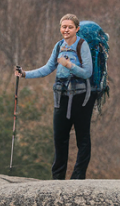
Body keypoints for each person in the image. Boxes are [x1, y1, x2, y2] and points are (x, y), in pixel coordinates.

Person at [15, 14, 95, 179]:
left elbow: (87, 72)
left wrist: (69, 65)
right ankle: (57, 177)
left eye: (70, 27)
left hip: (81, 97)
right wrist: (24, 74)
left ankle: (78, 177)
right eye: (63, 26)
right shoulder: (59, 46)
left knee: (83, 138)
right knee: (60, 137)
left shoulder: (82, 45)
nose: (66, 30)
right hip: (61, 96)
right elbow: (47, 68)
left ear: (77, 29)